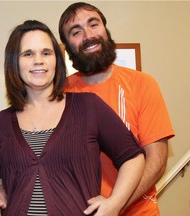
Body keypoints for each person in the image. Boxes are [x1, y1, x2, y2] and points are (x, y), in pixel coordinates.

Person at [0, 20, 145, 216]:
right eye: (28, 53)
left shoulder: (89, 107)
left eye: (46, 53)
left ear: (56, 59)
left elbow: (133, 157)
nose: (38, 60)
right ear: (14, 62)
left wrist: (115, 203)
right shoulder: (2, 122)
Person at [59, 2, 175, 216]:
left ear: (105, 28)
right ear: (67, 46)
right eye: (76, 32)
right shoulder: (60, 94)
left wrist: (115, 204)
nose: (88, 35)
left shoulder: (143, 84)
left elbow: (156, 160)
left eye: (94, 24)